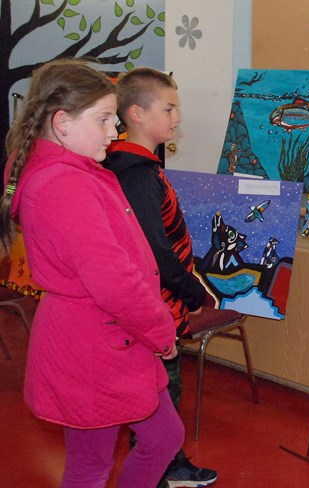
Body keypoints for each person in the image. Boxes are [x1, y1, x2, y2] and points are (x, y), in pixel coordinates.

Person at [0, 58, 184, 488]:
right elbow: (113, 279)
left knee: (161, 437)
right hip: (96, 342)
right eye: (103, 119)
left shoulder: (71, 173)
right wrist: (161, 332)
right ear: (62, 123)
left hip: (109, 335)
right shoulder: (63, 184)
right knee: (91, 463)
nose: (113, 131)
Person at [106, 67, 217, 488]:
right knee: (160, 393)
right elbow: (154, 251)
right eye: (168, 108)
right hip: (154, 306)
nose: (176, 118)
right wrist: (195, 293)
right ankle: (160, 468)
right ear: (136, 113)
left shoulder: (136, 166)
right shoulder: (136, 174)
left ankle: (171, 463)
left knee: (160, 395)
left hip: (158, 302)